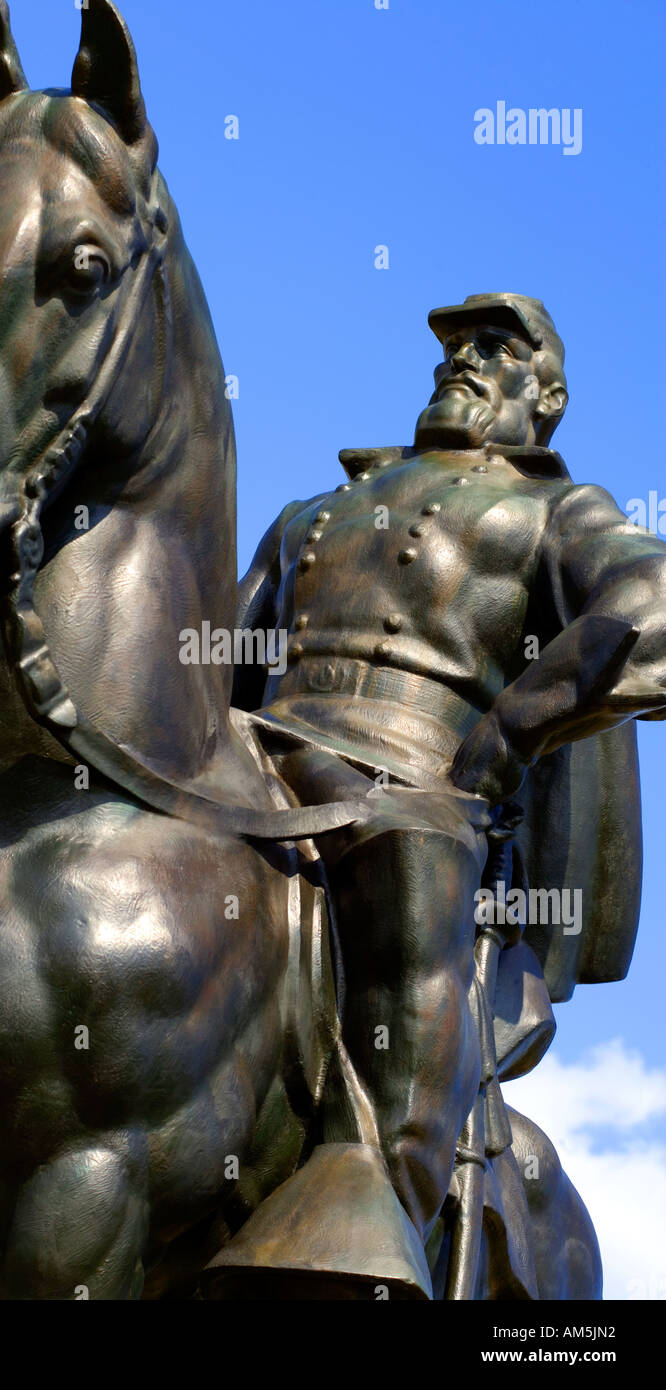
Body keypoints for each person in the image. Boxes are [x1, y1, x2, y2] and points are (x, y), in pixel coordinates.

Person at [233, 293, 666, 1266]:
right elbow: (214, 658)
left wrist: (512, 727)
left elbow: (652, 606)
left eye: (495, 348)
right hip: (252, 759)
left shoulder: (555, 511)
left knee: (407, 889)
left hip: (411, 791)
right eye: (456, 343)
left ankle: (366, 1199)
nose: (462, 358)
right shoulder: (317, 510)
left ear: (543, 393)